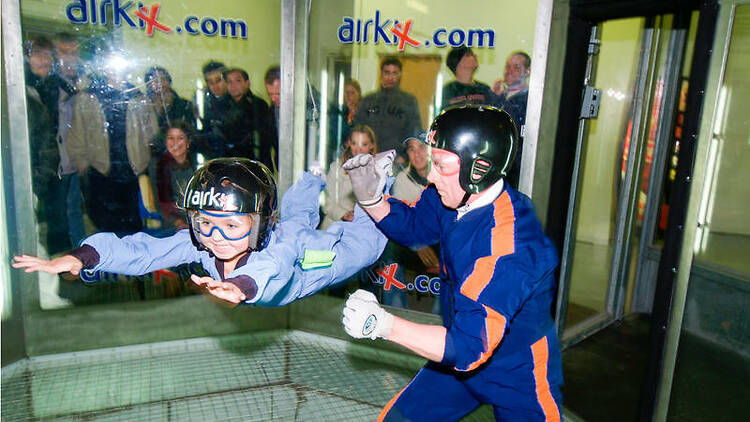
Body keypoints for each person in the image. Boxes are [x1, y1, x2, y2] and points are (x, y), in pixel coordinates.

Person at [341, 105, 562, 421]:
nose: (430, 174)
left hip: (517, 371)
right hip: (458, 357)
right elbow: (417, 226)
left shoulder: (510, 244)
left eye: (441, 165)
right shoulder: (455, 195)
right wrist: (373, 200)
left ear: (479, 169)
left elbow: (470, 346)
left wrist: (380, 324)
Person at [13, 158, 389, 307]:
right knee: (295, 215)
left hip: (305, 262)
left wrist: (241, 285)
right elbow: (144, 251)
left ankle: (374, 189)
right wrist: (84, 256)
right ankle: (313, 178)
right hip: (276, 235)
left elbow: (276, 263)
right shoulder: (201, 246)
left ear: (259, 224)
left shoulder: (279, 247)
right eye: (205, 223)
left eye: (230, 225)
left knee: (358, 247)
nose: (216, 237)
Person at [66, 47, 158, 236]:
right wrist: (84, 166)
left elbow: (152, 133)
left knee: (134, 229)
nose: (115, 71)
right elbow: (76, 136)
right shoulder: (87, 97)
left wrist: (143, 162)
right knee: (104, 228)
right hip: (100, 171)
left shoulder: (138, 97)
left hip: (132, 171)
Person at [24, 36, 74, 255]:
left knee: (59, 216)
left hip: (58, 163)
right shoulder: (17, 88)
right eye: (37, 54)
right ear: (26, 57)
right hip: (27, 164)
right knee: (26, 218)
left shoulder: (61, 86)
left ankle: (59, 263)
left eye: (47, 55)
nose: (43, 60)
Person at [354, 57, 422, 165]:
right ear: (381, 73)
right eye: (387, 72)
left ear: (400, 75)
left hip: (397, 160)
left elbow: (414, 133)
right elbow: (358, 130)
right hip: (369, 160)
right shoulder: (368, 100)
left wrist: (405, 157)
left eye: (395, 73)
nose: (390, 77)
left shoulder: (409, 101)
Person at [53, 32, 87, 247]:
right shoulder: (49, 85)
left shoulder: (87, 83)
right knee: (59, 213)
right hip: (55, 162)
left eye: (74, 52)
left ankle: (79, 255)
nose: (70, 57)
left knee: (75, 210)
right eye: (64, 53)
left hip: (79, 162)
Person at [321, 124, 378, 229]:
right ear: (348, 144)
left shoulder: (379, 172)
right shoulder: (336, 169)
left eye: (364, 144)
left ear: (372, 146)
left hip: (365, 230)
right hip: (334, 226)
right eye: (354, 143)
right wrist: (344, 214)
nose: (358, 150)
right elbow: (327, 202)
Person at [221, 68, 277, 170]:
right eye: (229, 82)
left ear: (247, 83)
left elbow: (265, 141)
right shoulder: (222, 107)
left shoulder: (259, 105)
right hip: (229, 166)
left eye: (237, 81)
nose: (233, 86)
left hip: (256, 165)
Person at [493, 51, 531, 188]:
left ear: (527, 71)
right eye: (508, 66)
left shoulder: (531, 100)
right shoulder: (500, 97)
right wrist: (494, 99)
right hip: (498, 169)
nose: (510, 71)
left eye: (516, 67)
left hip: (517, 172)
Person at [156, 120, 197, 230]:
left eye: (180, 138)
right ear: (165, 142)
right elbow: (159, 203)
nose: (175, 143)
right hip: (173, 223)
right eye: (171, 138)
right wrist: (177, 222)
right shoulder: (159, 166)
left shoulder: (197, 163)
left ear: (188, 142)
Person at [198, 60, 231, 159]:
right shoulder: (202, 102)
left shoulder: (237, 100)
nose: (215, 86)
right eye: (210, 82)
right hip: (210, 159)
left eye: (218, 80)